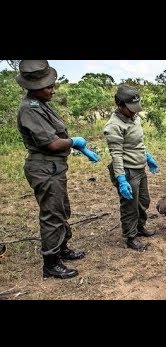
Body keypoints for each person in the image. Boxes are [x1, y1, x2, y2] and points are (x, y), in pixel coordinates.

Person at [16, 60, 100, 279]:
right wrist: (74, 142)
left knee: (61, 209)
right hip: (43, 167)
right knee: (52, 214)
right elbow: (52, 143)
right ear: (34, 88)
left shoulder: (42, 104)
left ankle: (62, 248)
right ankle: (51, 263)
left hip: (53, 166)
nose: (53, 89)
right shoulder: (29, 109)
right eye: (48, 87)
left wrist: (74, 145)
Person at [104, 84, 158, 252]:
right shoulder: (114, 126)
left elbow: (137, 142)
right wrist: (121, 178)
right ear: (120, 105)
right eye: (130, 108)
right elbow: (116, 154)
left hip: (139, 166)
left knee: (143, 201)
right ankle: (130, 236)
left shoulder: (135, 118)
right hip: (127, 170)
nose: (134, 111)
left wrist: (146, 156)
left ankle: (140, 227)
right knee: (130, 206)